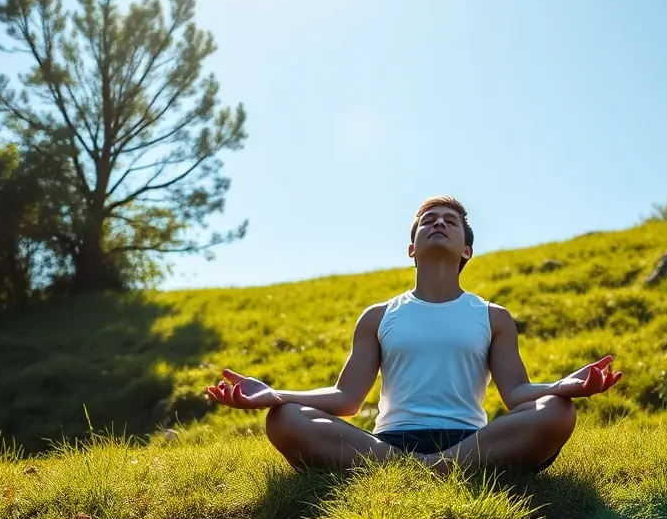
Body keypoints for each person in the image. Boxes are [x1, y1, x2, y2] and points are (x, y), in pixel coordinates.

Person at [206, 196, 622, 473]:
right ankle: (428, 472)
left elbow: (516, 394)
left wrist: (564, 387)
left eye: (451, 221)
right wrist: (276, 396)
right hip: (388, 444)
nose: (438, 223)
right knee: (284, 420)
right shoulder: (379, 315)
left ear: (466, 251)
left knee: (559, 411)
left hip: (470, 441)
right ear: (412, 249)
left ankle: (429, 470)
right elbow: (346, 399)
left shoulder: (493, 316)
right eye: (428, 221)